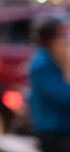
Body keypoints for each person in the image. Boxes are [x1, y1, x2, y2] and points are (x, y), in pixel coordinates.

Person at [28, 17, 70, 152]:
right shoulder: (42, 65)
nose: (66, 42)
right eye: (62, 37)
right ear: (51, 40)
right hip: (53, 133)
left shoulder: (54, 60)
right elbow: (64, 97)